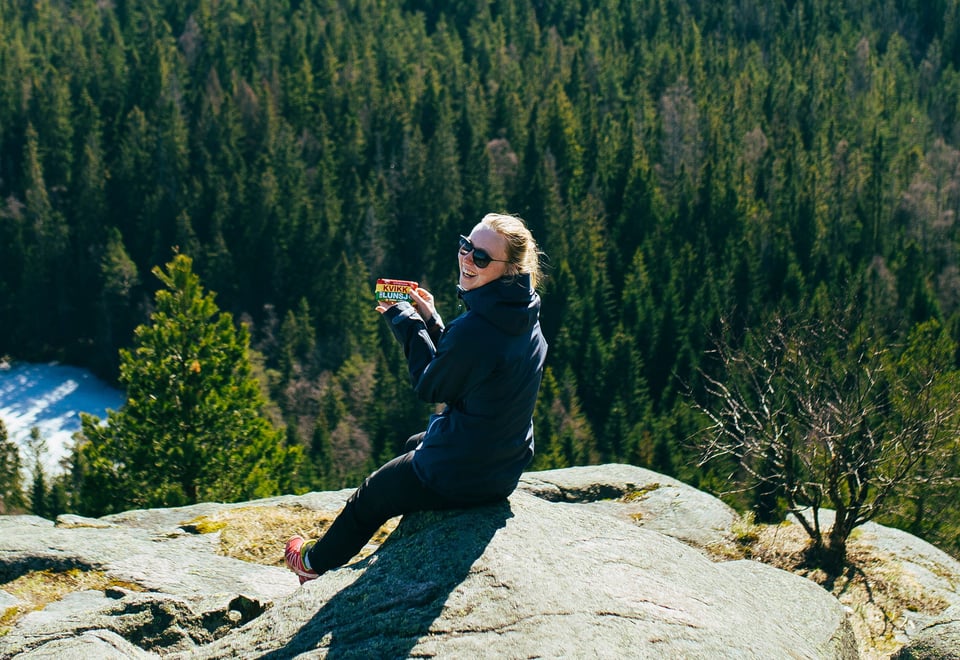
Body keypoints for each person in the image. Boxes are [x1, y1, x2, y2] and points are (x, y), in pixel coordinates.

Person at [284, 212, 548, 583]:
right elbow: (467, 367)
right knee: (413, 444)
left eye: (481, 257)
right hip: (504, 464)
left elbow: (433, 387)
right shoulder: (522, 310)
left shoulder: (478, 328)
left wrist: (407, 323)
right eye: (466, 246)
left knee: (371, 494)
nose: (467, 259)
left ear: (509, 270)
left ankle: (311, 564)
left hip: (468, 471)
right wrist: (433, 321)